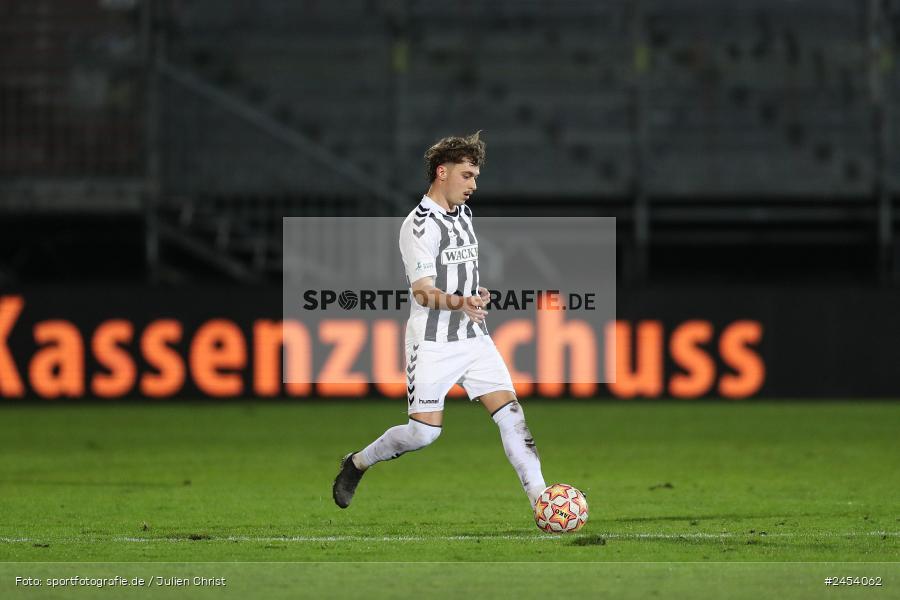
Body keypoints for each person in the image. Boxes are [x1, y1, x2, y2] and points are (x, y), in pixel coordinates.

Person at [332, 131, 546, 510]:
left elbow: (461, 271)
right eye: (467, 176)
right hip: (431, 342)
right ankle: (357, 462)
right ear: (441, 172)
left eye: (476, 176)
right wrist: (460, 301)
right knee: (423, 433)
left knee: (512, 416)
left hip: (473, 337)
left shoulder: (462, 214)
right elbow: (422, 291)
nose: (474, 185)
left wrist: (475, 295)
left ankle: (542, 502)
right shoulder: (418, 227)